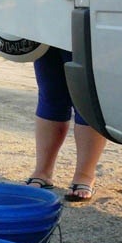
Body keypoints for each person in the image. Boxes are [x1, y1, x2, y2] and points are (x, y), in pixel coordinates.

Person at [24, 47, 108, 202]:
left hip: (86, 26)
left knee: (87, 97)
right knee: (50, 94)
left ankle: (84, 175)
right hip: (49, 28)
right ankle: (42, 172)